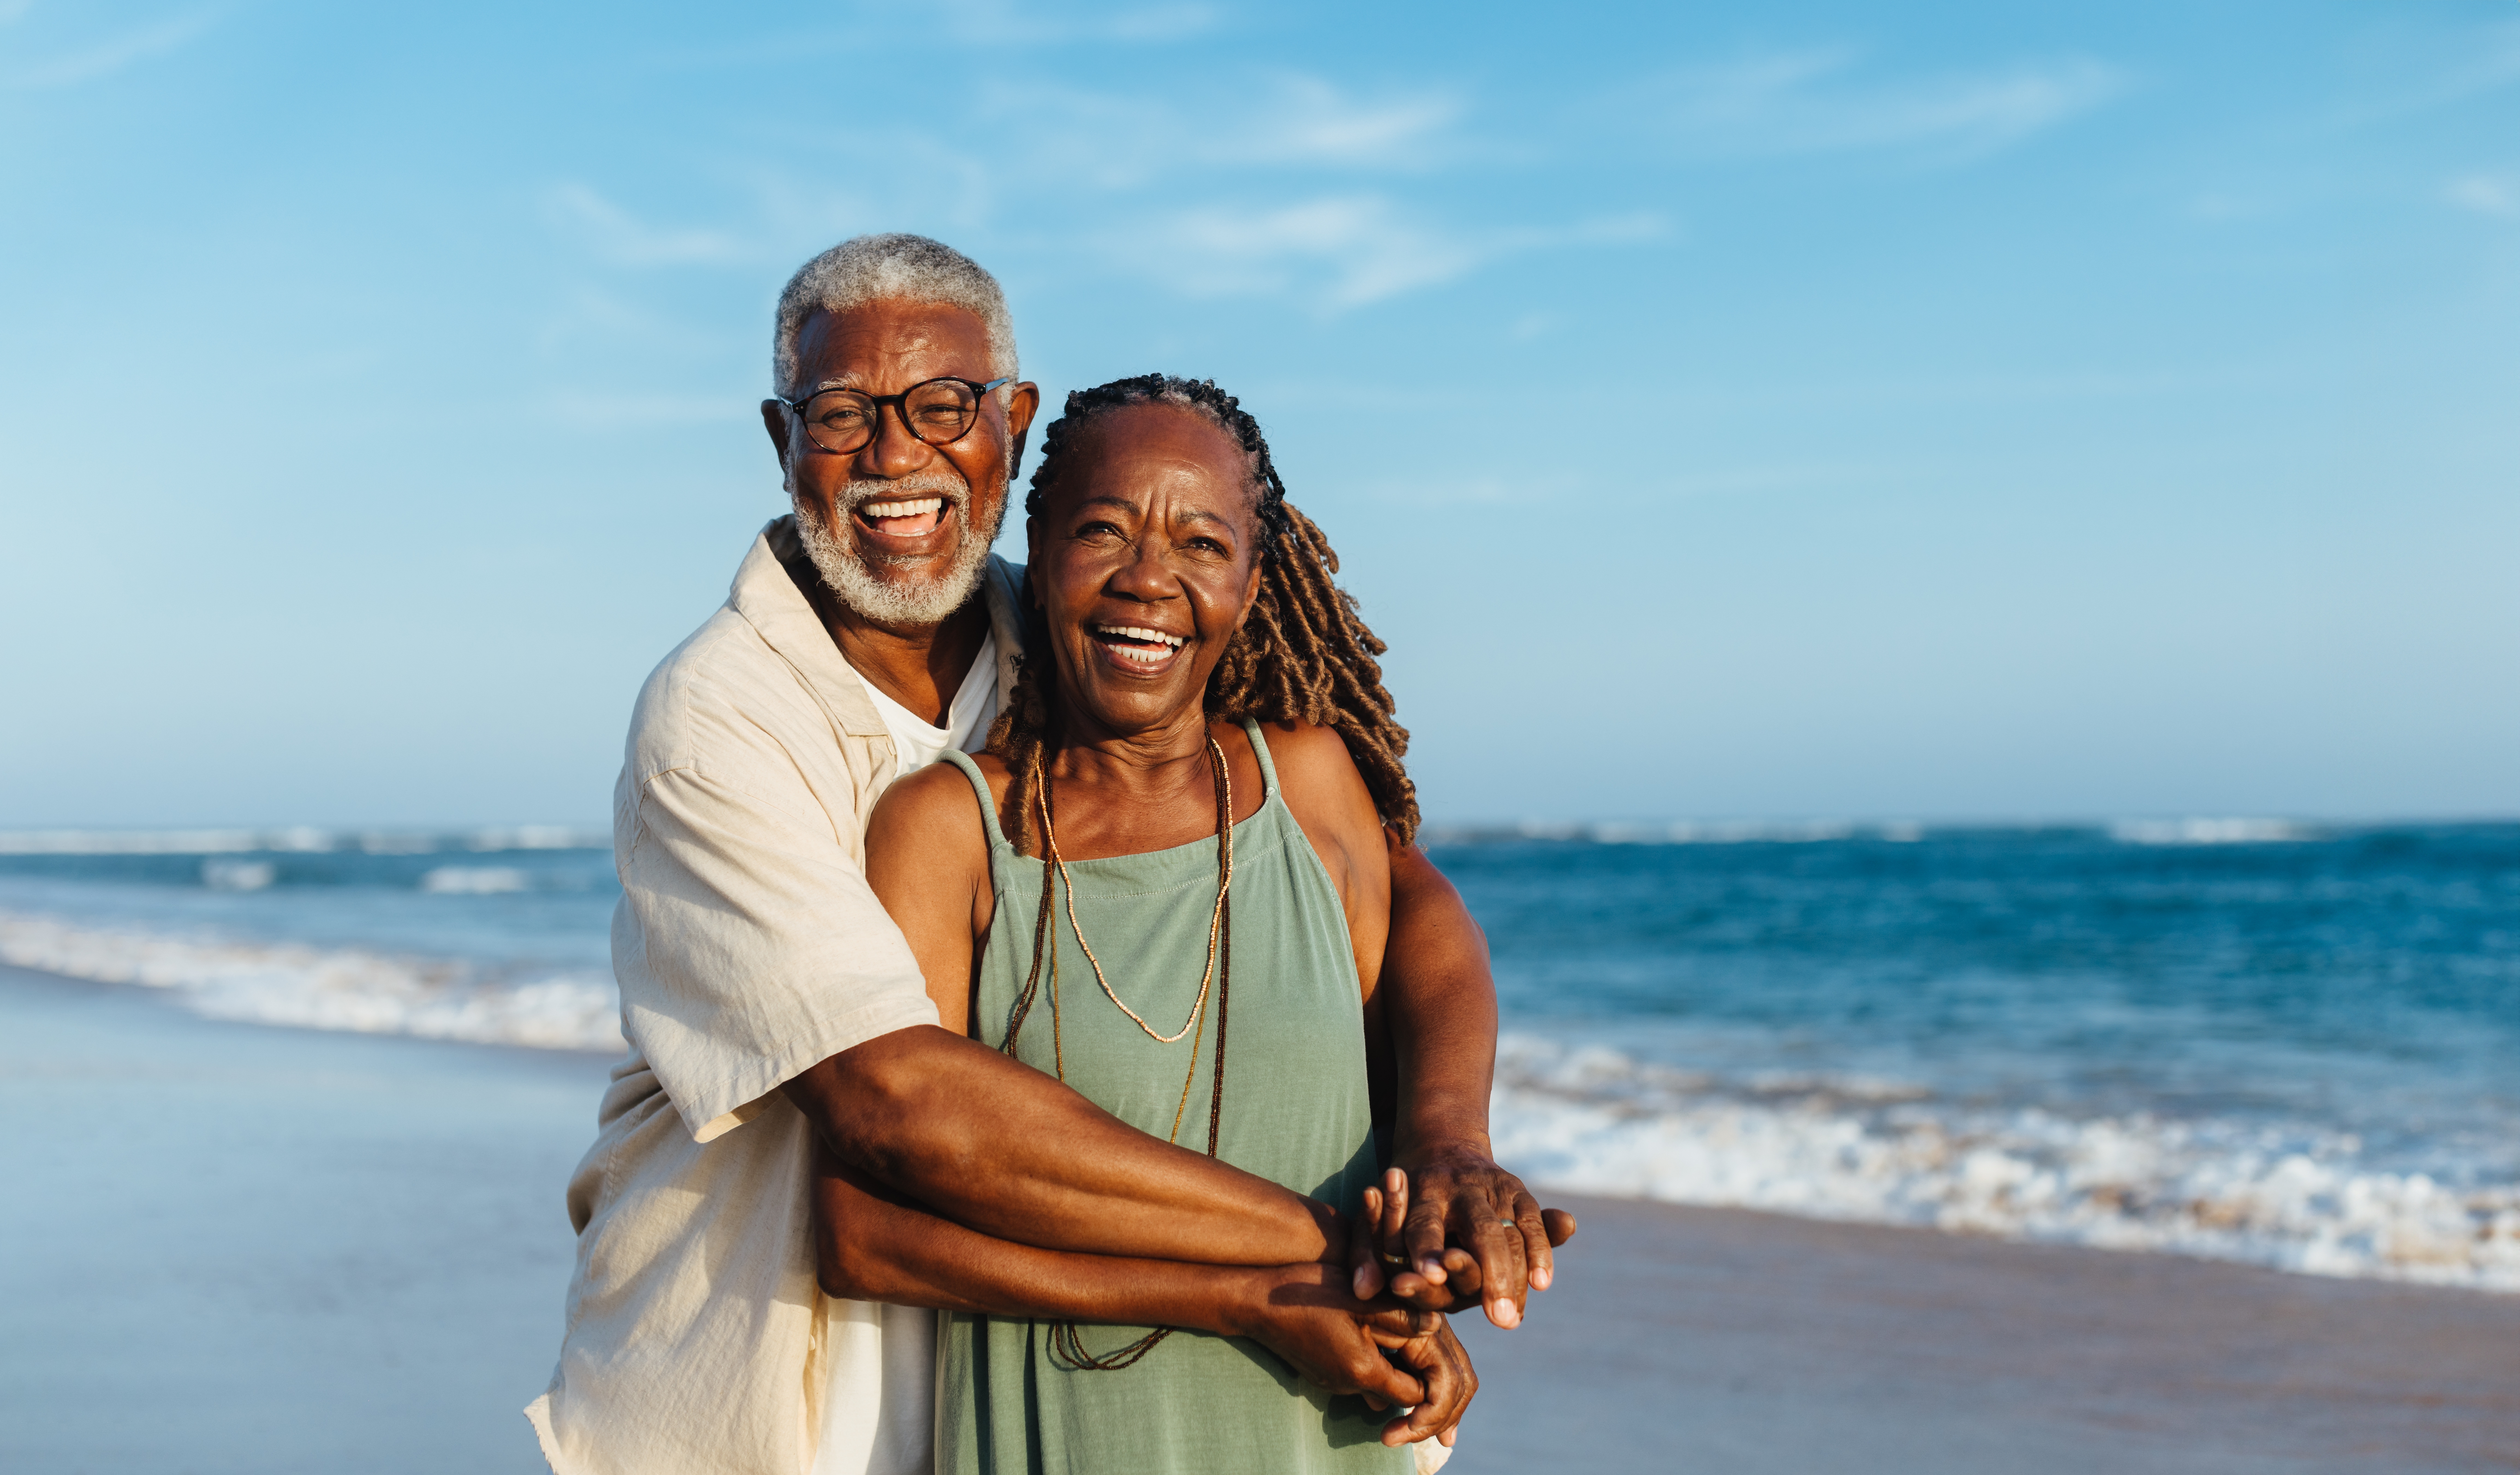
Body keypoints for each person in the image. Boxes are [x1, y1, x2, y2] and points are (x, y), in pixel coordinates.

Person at [528, 236, 1567, 1475]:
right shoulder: (718, 716)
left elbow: (1396, 889)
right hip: (766, 1380)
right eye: (844, 414)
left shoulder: (1085, 618)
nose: (897, 455)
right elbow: (895, 1103)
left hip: (1038, 1365)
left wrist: (1446, 1144)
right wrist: (1330, 1256)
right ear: (782, 439)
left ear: (1010, 423)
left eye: (943, 406)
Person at [841, 373, 1566, 1473]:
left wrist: (1446, 1182)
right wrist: (1245, 1299)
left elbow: (1428, 936)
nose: (1149, 580)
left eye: (1201, 544)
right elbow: (865, 1236)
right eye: (1101, 531)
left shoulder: (1310, 785)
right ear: (1035, 551)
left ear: (1252, 579)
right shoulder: (949, 832)